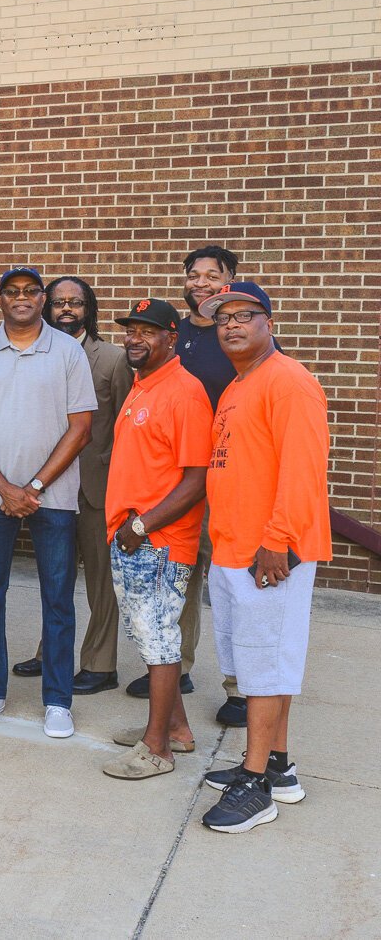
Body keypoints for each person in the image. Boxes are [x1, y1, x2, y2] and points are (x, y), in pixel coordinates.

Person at [197, 282, 330, 834]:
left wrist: (277, 540)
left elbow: (303, 471)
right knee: (258, 661)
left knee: (265, 664)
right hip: (234, 547)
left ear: (267, 322)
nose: (230, 324)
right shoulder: (237, 385)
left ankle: (257, 787)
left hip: (268, 553)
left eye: (243, 315)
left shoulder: (289, 382)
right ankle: (277, 765)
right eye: (222, 317)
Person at [0, 267, 95, 739]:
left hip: (53, 497)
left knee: (57, 597)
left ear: (42, 299)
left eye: (30, 292)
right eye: (12, 292)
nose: (21, 299)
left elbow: (80, 427)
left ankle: (58, 700)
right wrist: (5, 488)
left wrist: (33, 487)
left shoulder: (68, 351)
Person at [99, 299, 211, 780]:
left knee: (159, 641)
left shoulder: (184, 392)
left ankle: (156, 747)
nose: (135, 339)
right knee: (148, 637)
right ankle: (177, 731)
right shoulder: (146, 384)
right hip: (132, 535)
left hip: (157, 540)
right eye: (130, 330)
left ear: (172, 337)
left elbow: (196, 479)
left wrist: (140, 526)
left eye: (148, 331)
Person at [12, 277, 132, 694]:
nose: (66, 309)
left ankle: (100, 665)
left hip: (97, 489)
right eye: (59, 302)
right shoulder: (38, 354)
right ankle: (51, 653)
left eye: (75, 303)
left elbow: (124, 429)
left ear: (89, 308)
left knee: (101, 580)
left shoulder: (113, 359)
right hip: (50, 488)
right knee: (55, 578)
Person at [143, 245, 246, 726]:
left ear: (229, 281)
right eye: (193, 276)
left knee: (227, 584)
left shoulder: (237, 335)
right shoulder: (173, 334)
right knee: (178, 579)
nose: (200, 283)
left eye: (212, 275)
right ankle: (177, 668)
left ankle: (240, 688)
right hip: (179, 482)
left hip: (227, 480)